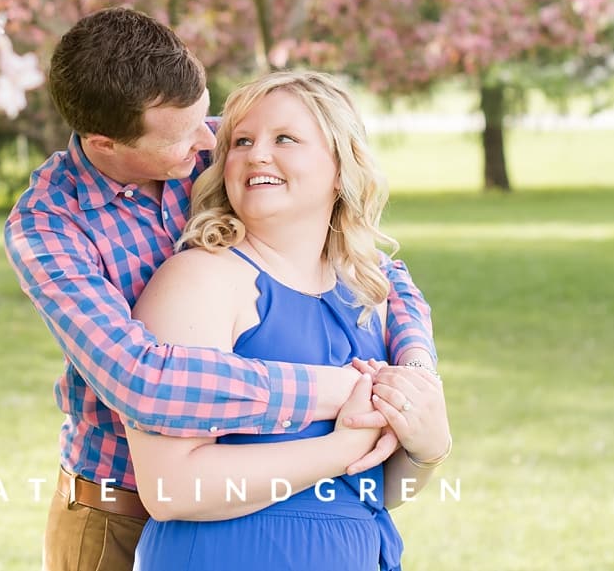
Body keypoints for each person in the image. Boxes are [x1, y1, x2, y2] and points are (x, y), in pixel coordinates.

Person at [4, 8, 439, 571]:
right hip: (116, 502)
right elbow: (146, 380)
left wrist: (415, 374)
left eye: (206, 121)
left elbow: (377, 271)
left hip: (271, 484)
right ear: (104, 143)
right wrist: (345, 394)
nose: (207, 145)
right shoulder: (48, 228)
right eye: (183, 138)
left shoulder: (219, 151)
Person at [127, 70, 451, 571]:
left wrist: (429, 449)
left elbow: (376, 488)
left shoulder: (368, 294)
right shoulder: (202, 280)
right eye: (241, 141)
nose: (257, 154)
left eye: (285, 139)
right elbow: (171, 488)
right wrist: (339, 448)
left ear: (341, 168)